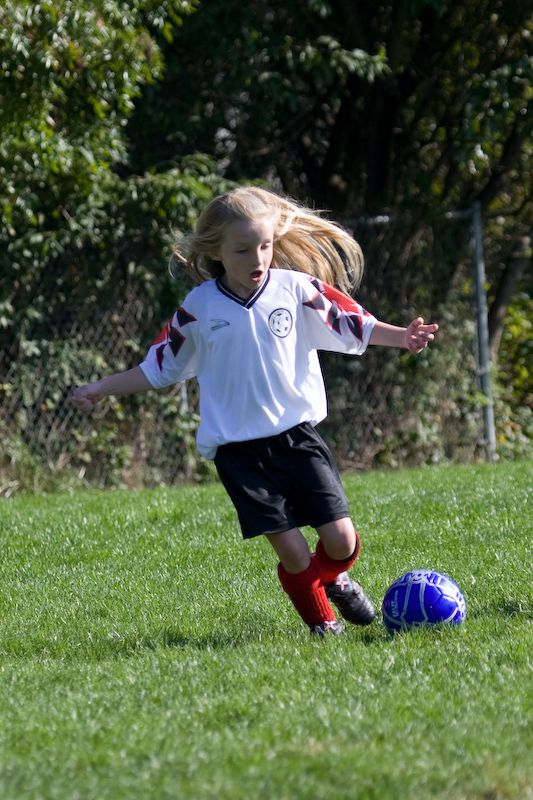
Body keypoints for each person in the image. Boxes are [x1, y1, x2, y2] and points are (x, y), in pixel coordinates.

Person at [71, 186, 438, 637]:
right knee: (293, 552)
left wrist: (402, 336)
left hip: (297, 438)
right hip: (239, 453)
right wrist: (100, 388)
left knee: (341, 542)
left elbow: (351, 323)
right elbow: (158, 368)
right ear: (217, 252)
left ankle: (334, 578)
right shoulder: (199, 307)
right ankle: (323, 626)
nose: (257, 258)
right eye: (242, 250)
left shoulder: (296, 289)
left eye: (264, 246)